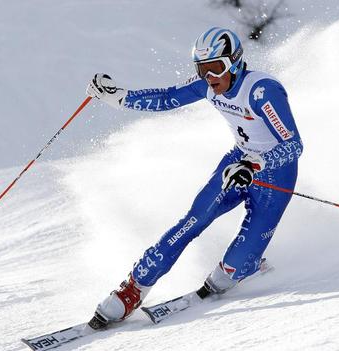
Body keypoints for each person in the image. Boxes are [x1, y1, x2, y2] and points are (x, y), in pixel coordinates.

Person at [85, 27, 303, 329]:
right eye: (202, 69)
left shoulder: (261, 91)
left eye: (216, 67)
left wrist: (255, 165)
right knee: (193, 220)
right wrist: (119, 98)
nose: (210, 77)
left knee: (227, 275)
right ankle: (133, 288)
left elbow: (293, 145)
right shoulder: (208, 86)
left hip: (274, 175)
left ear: (236, 62)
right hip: (236, 163)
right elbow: (167, 98)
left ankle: (246, 264)